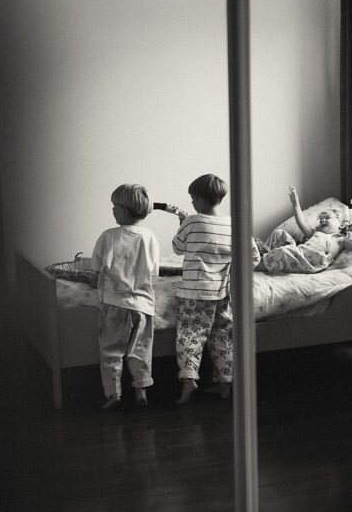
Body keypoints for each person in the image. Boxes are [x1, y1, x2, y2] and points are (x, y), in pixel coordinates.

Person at [170, 173, 260, 404]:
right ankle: (225, 383)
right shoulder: (235, 223)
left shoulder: (192, 221)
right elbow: (254, 257)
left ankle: (189, 379)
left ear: (200, 199)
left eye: (192, 198)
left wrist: (182, 224)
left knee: (190, 334)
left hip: (195, 291)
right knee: (222, 335)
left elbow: (177, 248)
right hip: (222, 292)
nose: (192, 203)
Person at [90, 183, 160, 409]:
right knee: (140, 351)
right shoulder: (150, 237)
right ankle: (141, 391)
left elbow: (96, 268)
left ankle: (114, 394)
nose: (112, 210)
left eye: (115, 206)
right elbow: (153, 271)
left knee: (111, 351)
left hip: (115, 303)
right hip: (143, 305)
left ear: (125, 210)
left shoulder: (109, 236)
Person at [256, 185, 352, 274]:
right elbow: (301, 223)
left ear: (341, 225)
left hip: (312, 262)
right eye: (321, 220)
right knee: (279, 233)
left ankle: (259, 264)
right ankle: (264, 253)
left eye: (327, 218)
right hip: (300, 253)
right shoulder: (315, 233)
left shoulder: (340, 240)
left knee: (283, 252)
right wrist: (295, 203)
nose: (322, 220)